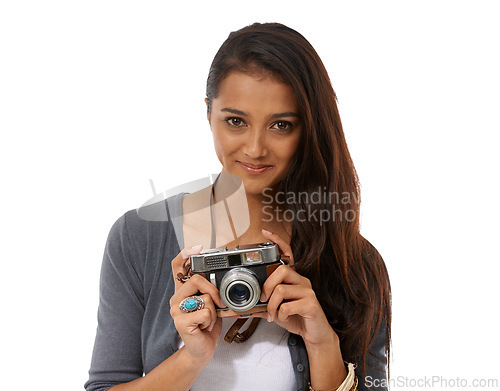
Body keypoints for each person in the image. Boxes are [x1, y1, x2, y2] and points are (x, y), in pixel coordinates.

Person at [85, 22, 391, 391]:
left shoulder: (354, 262)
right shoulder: (139, 239)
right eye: (235, 121)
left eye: (281, 125)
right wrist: (191, 357)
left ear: (309, 128)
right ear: (208, 112)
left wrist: (321, 343)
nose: (255, 148)